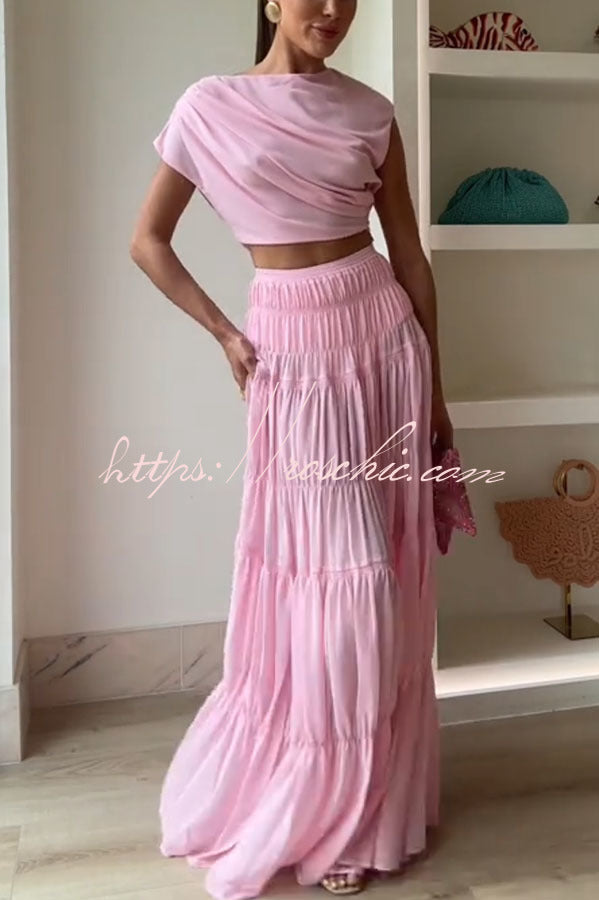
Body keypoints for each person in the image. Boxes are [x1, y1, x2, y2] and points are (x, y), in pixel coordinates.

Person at [130, 2, 454, 898]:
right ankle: (321, 804)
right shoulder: (208, 105)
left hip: (382, 337)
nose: (333, 10)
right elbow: (146, 242)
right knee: (338, 580)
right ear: (271, 0)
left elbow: (409, 258)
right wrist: (224, 334)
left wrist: (436, 392)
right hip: (290, 348)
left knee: (382, 576)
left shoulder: (370, 110)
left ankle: (366, 803)